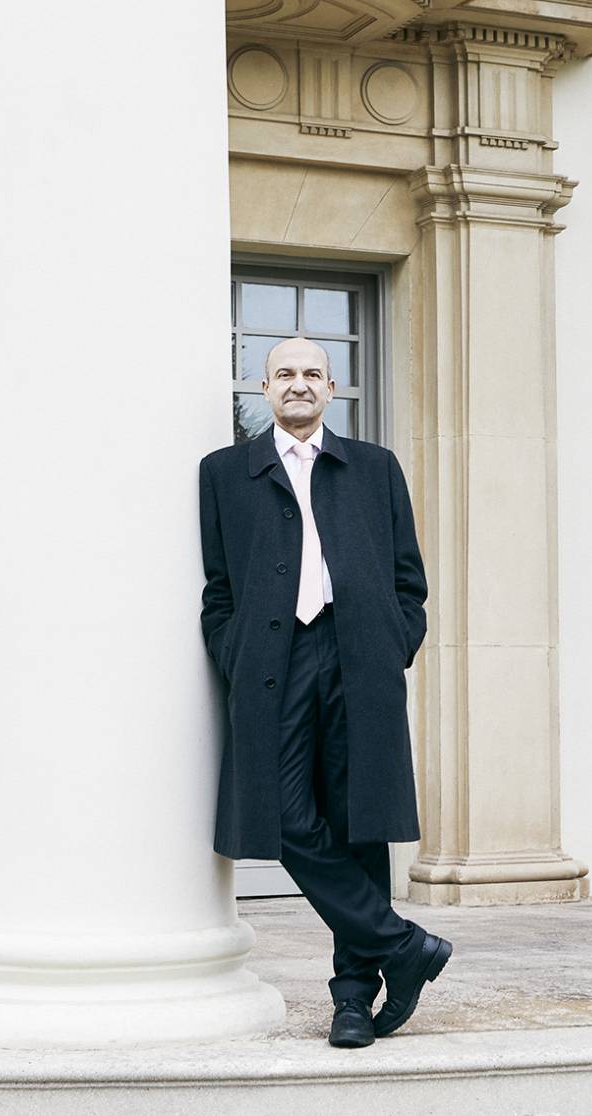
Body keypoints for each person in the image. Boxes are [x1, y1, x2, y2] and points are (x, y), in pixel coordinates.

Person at [197, 336, 452, 1049]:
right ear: (264, 388)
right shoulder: (224, 473)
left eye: (312, 373)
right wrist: (233, 652)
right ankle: (401, 943)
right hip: (273, 661)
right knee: (279, 814)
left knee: (357, 822)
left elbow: (410, 579)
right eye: (286, 374)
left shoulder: (374, 468)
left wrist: (393, 643)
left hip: (360, 659)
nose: (299, 384)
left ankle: (352, 999)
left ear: (331, 388)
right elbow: (219, 587)